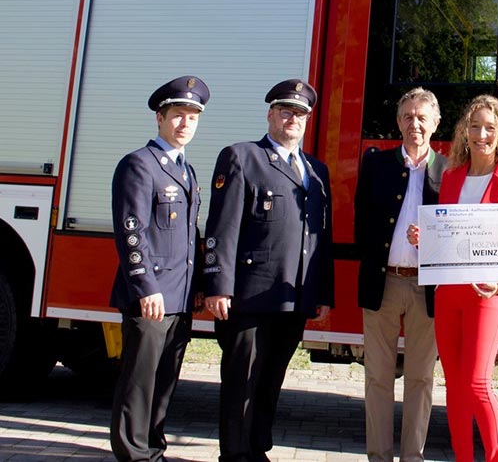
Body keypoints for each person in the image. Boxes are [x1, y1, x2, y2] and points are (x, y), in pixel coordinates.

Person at [202, 79, 333, 462]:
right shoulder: (243, 157)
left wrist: (323, 293)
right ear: (271, 115)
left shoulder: (316, 170)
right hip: (249, 296)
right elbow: (221, 227)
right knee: (243, 380)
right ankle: (236, 454)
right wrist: (217, 286)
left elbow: (322, 235)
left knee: (271, 379)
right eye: (286, 111)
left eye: (301, 113)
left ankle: (257, 449)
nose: (293, 118)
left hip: (294, 298)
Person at [407, 95, 498, 462]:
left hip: (487, 295)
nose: (481, 134)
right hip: (449, 292)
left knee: (478, 382)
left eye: (490, 127)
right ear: (464, 131)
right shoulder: (453, 176)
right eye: (475, 126)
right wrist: (424, 238)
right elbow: (448, 238)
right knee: (456, 388)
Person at [109, 75, 210, 462]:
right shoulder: (140, 164)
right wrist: (145, 287)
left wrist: (197, 284)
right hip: (150, 298)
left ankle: (153, 448)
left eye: (193, 117)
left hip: (179, 297)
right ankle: (133, 453)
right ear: (160, 117)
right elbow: (131, 232)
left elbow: (189, 237)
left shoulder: (187, 171)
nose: (185, 124)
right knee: (139, 381)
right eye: (178, 115)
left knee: (165, 381)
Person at [354, 88, 446, 462]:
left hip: (428, 289)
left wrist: (433, 240)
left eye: (423, 117)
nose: (415, 124)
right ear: (398, 122)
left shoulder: (450, 170)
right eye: (408, 116)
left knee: (421, 379)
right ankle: (379, 456)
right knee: (377, 377)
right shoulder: (376, 164)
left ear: (436, 123)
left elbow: (456, 233)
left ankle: (413, 457)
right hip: (384, 283)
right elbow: (361, 224)